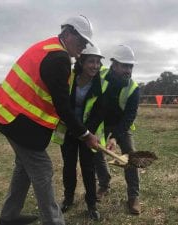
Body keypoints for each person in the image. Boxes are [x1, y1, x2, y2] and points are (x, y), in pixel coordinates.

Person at [0, 15, 99, 225]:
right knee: (43, 169)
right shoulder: (59, 58)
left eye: (86, 42)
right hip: (15, 119)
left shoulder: (50, 47)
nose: (83, 46)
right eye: (81, 40)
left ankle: (9, 217)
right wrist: (85, 135)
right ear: (68, 33)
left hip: (7, 113)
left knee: (23, 167)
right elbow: (63, 106)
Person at [54, 45, 107, 220]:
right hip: (68, 130)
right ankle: (68, 199)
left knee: (88, 168)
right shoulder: (69, 77)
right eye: (91, 61)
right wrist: (75, 129)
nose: (95, 66)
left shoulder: (100, 84)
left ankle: (91, 204)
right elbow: (61, 104)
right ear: (81, 61)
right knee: (68, 167)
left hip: (88, 135)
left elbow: (99, 112)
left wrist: (86, 133)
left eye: (98, 62)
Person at [94, 45, 141, 214]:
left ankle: (133, 197)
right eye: (125, 65)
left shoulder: (134, 89)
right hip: (100, 123)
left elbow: (129, 117)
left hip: (121, 125)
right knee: (96, 152)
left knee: (131, 155)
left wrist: (114, 137)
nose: (128, 70)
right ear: (114, 65)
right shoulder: (100, 75)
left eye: (131, 66)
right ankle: (104, 185)